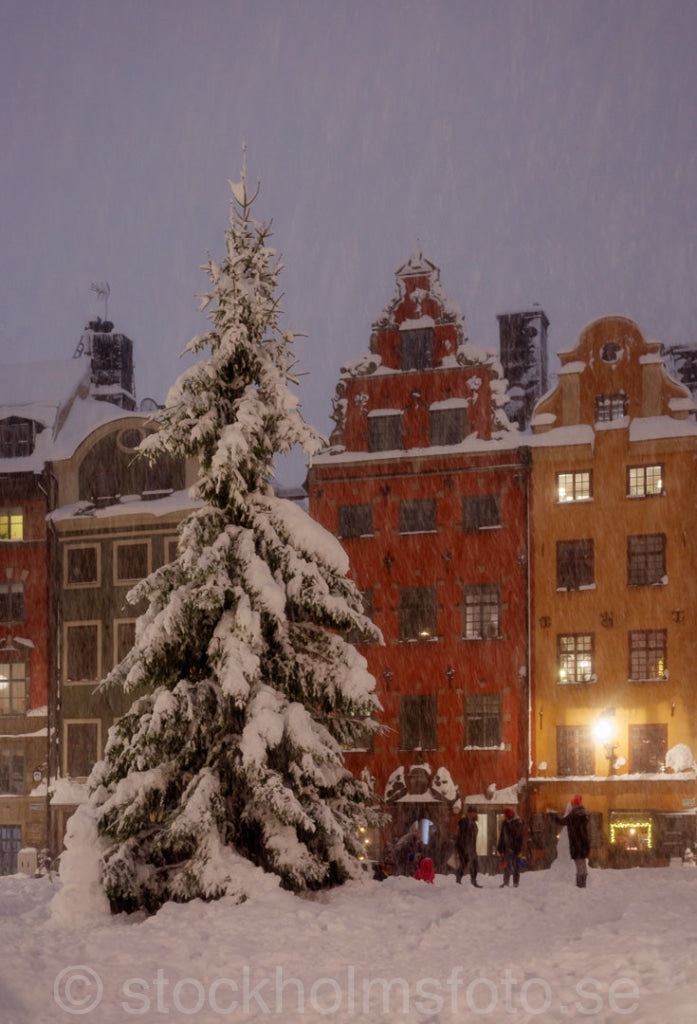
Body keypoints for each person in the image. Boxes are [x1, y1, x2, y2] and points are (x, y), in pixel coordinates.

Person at [562, 794, 591, 887]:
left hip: (576, 844)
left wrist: (551, 817)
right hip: (584, 844)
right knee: (582, 864)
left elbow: (562, 821)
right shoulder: (584, 815)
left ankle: (580, 884)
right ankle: (583, 882)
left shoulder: (572, 816)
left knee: (579, 865)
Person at [455, 805, 482, 887]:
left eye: (475, 812)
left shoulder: (472, 823)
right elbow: (462, 836)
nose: (475, 814)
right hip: (464, 847)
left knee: (473, 864)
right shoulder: (465, 822)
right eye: (473, 812)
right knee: (464, 863)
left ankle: (472, 881)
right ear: (469, 813)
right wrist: (465, 847)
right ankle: (459, 880)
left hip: (471, 847)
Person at [497, 807, 524, 888]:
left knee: (516, 866)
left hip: (515, 849)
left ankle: (515, 882)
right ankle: (506, 882)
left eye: (506, 815)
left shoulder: (517, 823)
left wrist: (517, 848)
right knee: (507, 866)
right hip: (507, 848)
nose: (505, 817)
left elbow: (519, 837)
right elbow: (502, 836)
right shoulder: (505, 823)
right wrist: (500, 848)